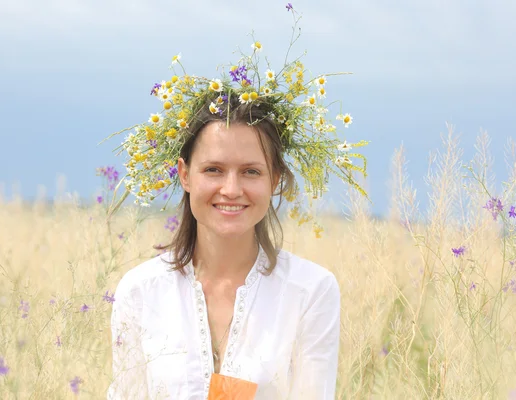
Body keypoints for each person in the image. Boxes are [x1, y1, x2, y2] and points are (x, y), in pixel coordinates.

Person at [106, 7, 368, 399]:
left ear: (275, 179)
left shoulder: (310, 291)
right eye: (213, 169)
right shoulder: (140, 291)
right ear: (184, 174)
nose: (231, 189)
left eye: (251, 171)